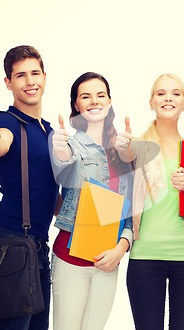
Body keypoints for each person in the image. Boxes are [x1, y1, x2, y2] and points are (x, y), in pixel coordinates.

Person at [115, 73, 184, 330]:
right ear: (151, 103)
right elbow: (122, 165)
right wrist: (123, 149)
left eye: (175, 93)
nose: (168, 97)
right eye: (161, 93)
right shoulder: (137, 148)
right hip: (145, 256)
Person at [0, 45, 59, 330]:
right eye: (20, 75)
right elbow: (0, 142)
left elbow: (51, 196)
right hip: (11, 240)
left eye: (35, 73)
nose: (30, 82)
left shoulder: (49, 132)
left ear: (45, 77)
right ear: (8, 83)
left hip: (38, 244)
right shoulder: (6, 122)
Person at [49, 72, 133, 329]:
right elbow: (63, 163)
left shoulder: (123, 151)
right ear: (76, 105)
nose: (94, 101)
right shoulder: (71, 144)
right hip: (71, 258)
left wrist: (121, 248)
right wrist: (60, 149)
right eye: (86, 96)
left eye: (100, 95)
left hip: (109, 261)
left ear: (109, 101)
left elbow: (130, 212)